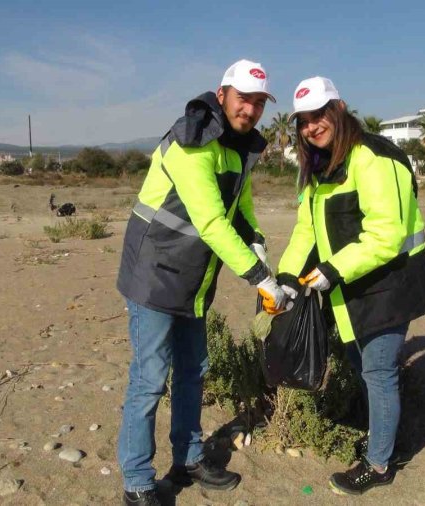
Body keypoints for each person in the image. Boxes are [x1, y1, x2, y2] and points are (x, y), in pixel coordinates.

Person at [115, 59, 288, 505]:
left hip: (193, 279)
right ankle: (136, 482)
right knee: (150, 379)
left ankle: (188, 459)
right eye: (243, 99)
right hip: (154, 275)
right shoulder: (193, 140)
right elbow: (210, 221)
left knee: (193, 371)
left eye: (258, 103)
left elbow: (240, 203)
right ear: (222, 93)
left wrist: (256, 238)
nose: (249, 110)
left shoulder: (240, 146)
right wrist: (259, 278)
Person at [274, 76, 425, 495]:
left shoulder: (373, 157)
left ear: (340, 108)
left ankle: (379, 464)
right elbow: (305, 229)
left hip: (388, 286)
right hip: (349, 289)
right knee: (363, 368)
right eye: (304, 121)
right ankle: (380, 435)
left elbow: (387, 234)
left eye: (319, 114)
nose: (312, 126)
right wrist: (287, 278)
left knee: (378, 371)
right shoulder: (319, 167)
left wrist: (331, 270)